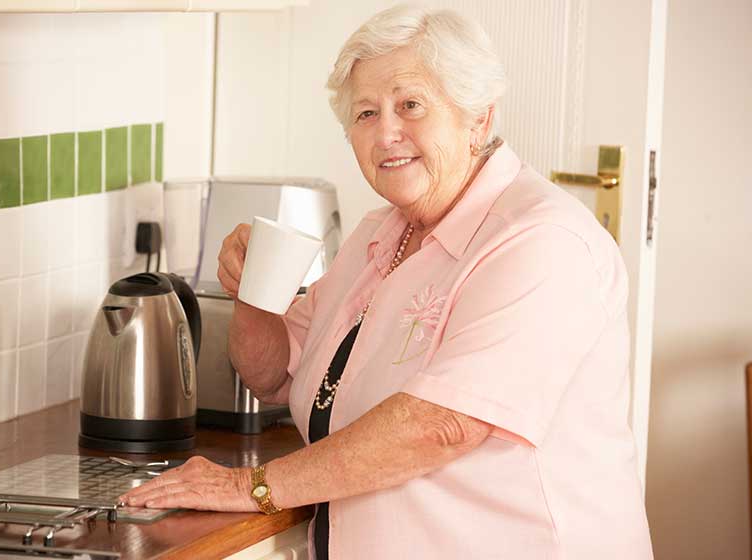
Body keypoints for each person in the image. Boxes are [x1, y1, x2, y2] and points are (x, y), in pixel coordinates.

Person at [121, 5, 653, 559]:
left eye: (410, 105)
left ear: (478, 118)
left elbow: (441, 426)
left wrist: (251, 487)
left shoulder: (543, 241)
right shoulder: (382, 233)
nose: (386, 134)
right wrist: (251, 292)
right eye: (366, 113)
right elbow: (273, 375)